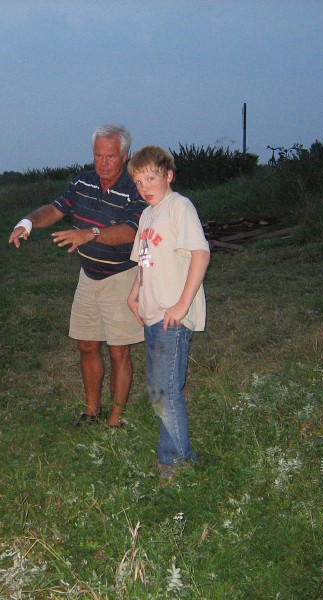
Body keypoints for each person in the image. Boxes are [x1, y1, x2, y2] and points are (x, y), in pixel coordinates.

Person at [8, 124, 146, 427]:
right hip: (88, 275)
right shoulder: (83, 182)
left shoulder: (135, 187)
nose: (103, 163)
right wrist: (28, 222)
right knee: (86, 344)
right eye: (98, 155)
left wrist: (89, 233)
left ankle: (116, 418)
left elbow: (130, 232)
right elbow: (55, 209)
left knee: (119, 350)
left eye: (110, 156)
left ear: (125, 155)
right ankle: (91, 411)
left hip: (121, 277)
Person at [126, 145, 210, 485]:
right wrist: (134, 293)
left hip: (171, 317)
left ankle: (177, 462)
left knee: (165, 390)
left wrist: (181, 305)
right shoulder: (147, 215)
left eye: (151, 178)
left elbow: (201, 255)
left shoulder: (179, 207)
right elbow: (144, 260)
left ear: (168, 175)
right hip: (151, 315)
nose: (144, 187)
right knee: (159, 388)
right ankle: (174, 454)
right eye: (138, 182)